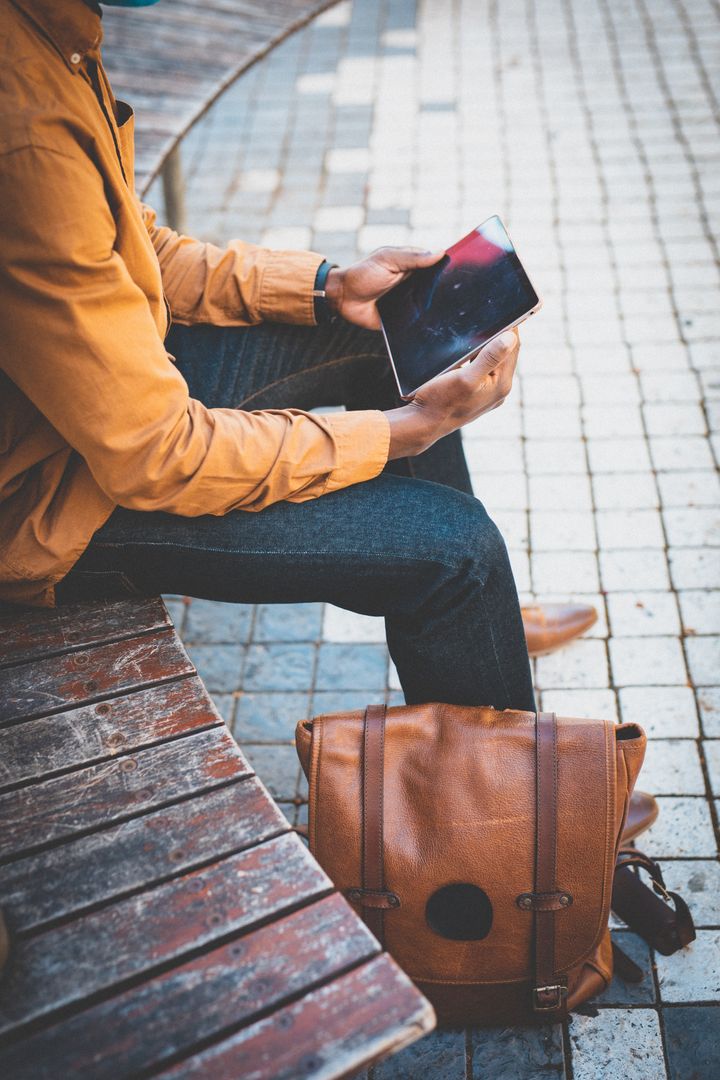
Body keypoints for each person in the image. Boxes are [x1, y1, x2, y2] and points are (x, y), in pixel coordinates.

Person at [0, 0, 598, 713]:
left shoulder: (51, 32)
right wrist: (406, 431)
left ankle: (478, 626)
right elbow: (159, 455)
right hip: (49, 497)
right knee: (458, 549)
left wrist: (328, 286)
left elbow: (137, 247)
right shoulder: (26, 127)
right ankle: (509, 807)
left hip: (100, 396)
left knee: (384, 338)